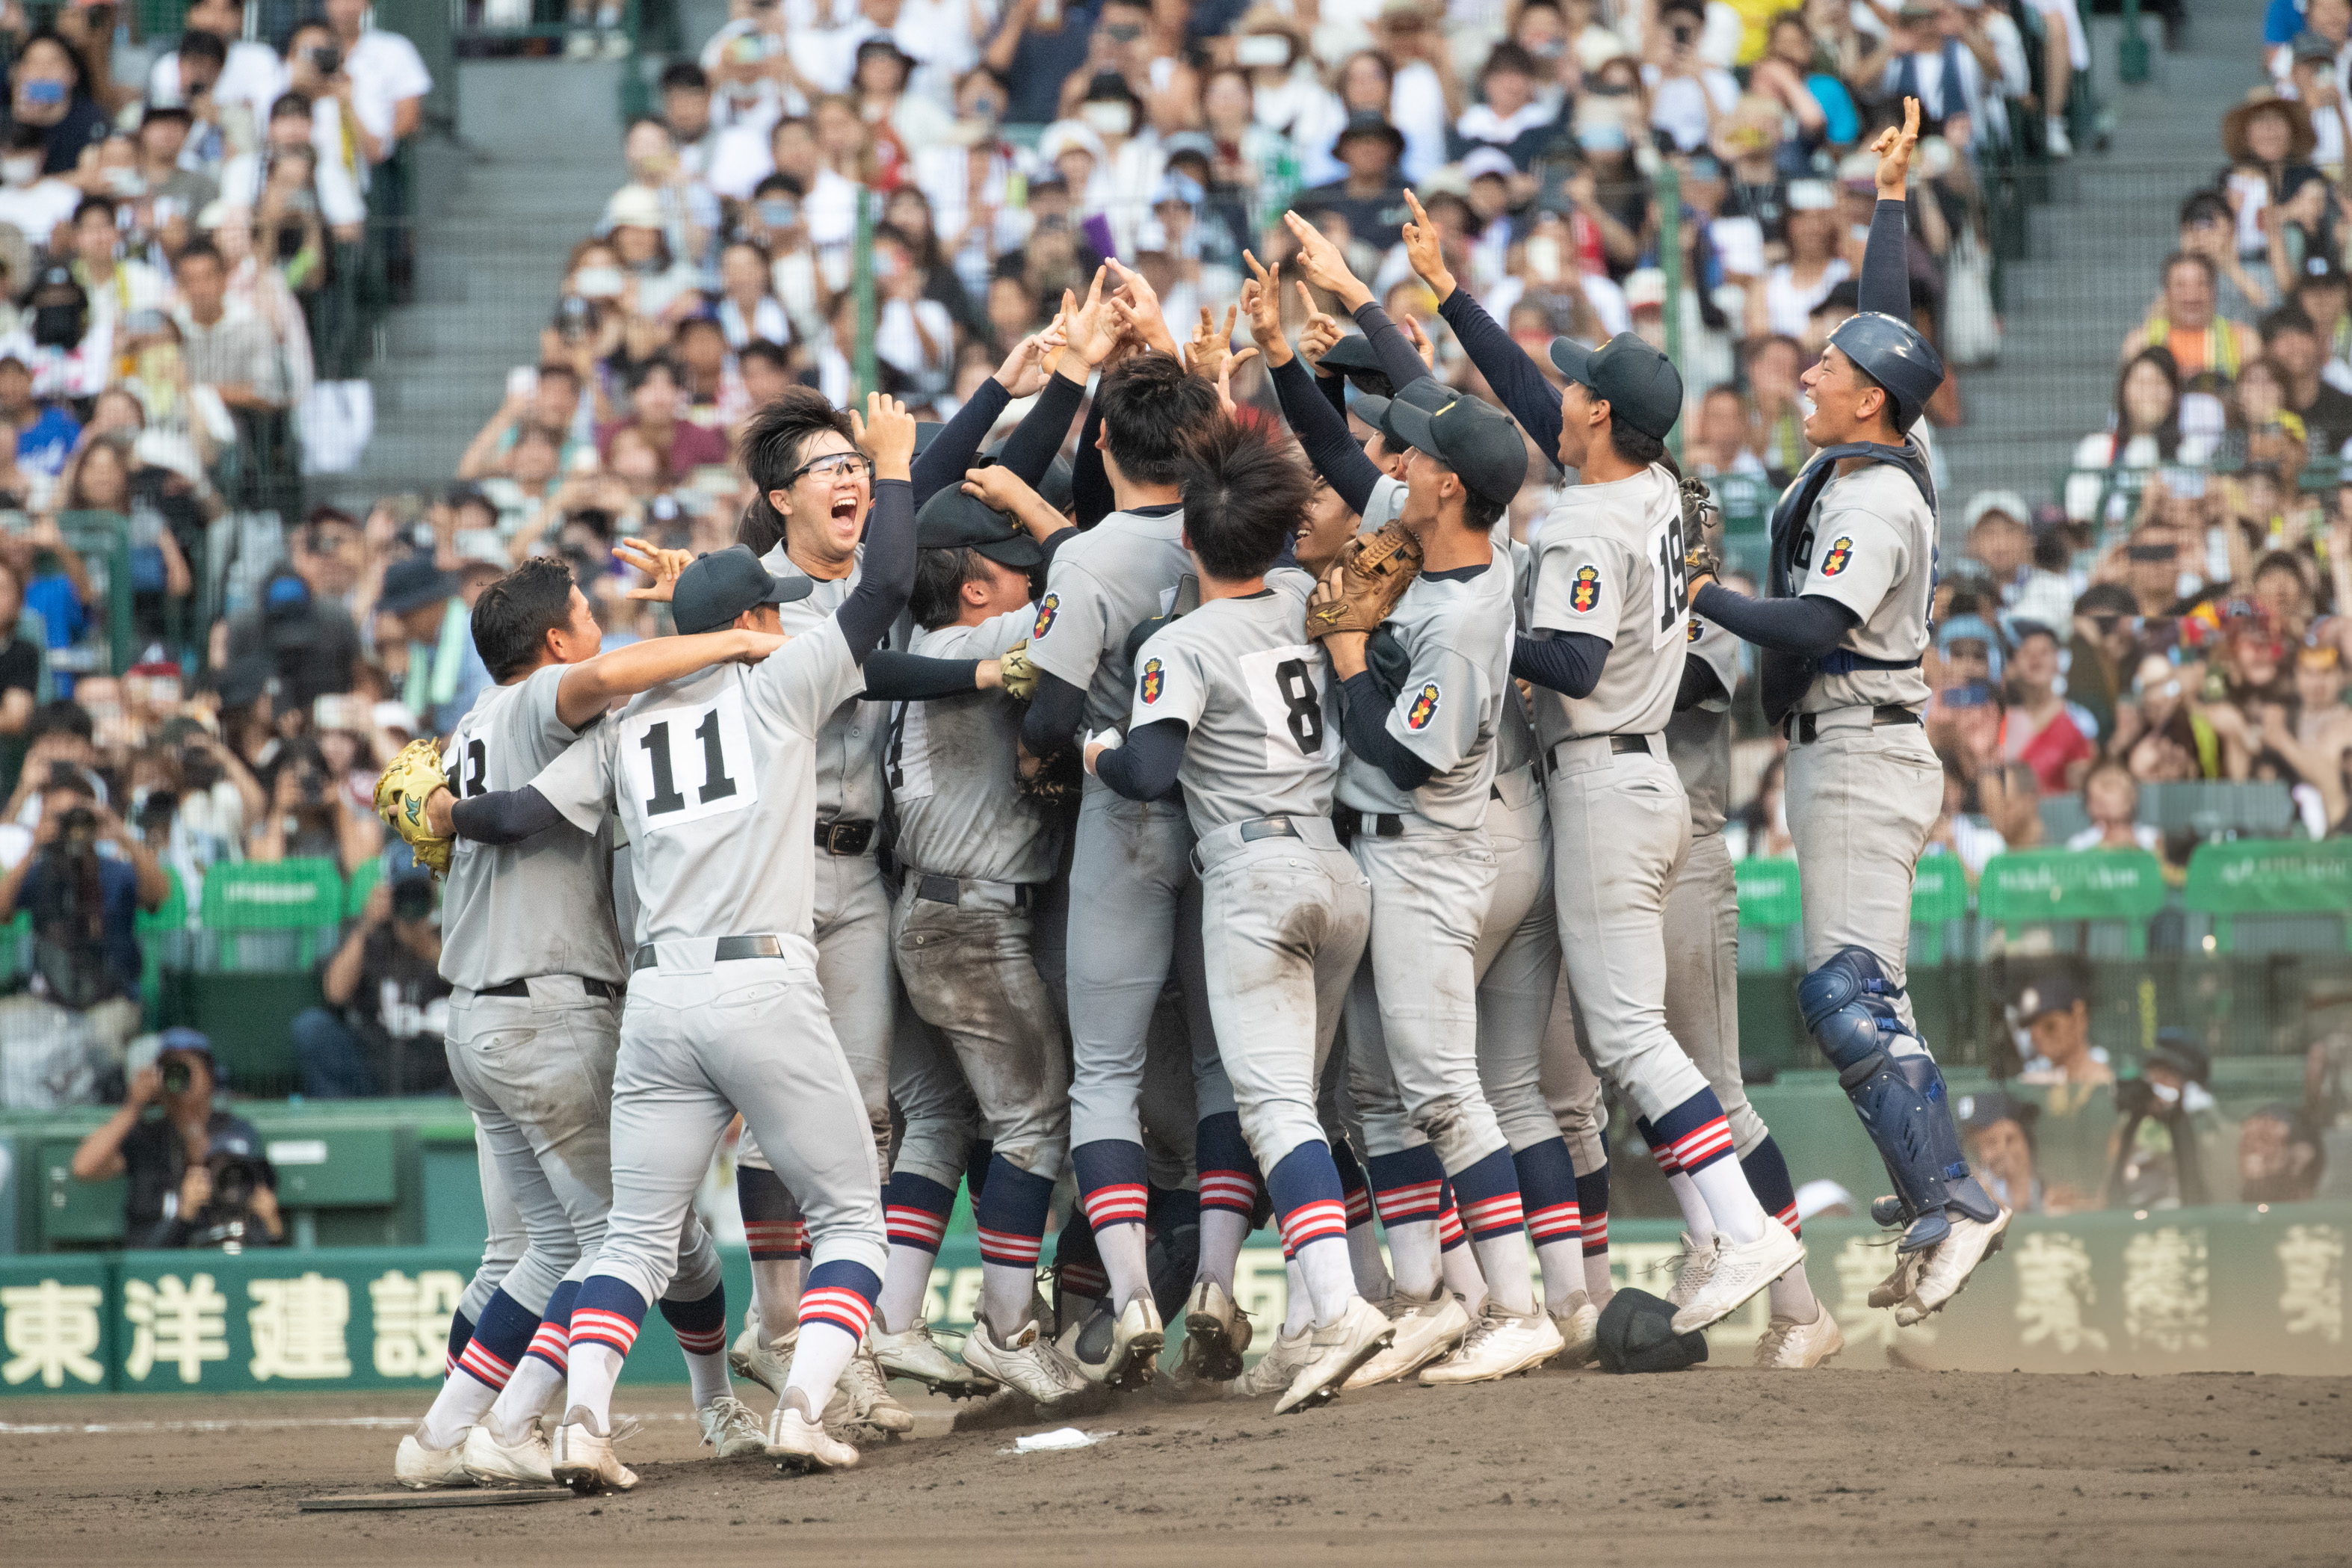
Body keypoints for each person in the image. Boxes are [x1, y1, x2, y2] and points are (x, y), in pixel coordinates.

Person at [421, 392, 919, 1482]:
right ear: (753, 622)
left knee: (631, 1241)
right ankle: (801, 1400)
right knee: (852, 1217)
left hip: (655, 1002)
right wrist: (889, 469)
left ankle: (582, 1422)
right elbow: (881, 587)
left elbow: (523, 815)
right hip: (762, 983)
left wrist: (450, 811)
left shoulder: (624, 725)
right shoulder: (780, 680)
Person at [1398, 188, 1806, 1340]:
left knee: (1627, 1035)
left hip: (1599, 777)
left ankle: (1735, 1227)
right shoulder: (1651, 487)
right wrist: (1449, 296)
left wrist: (1472, 618)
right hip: (1640, 777)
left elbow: (1568, 657)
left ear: (1602, 418)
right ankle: (1731, 1226)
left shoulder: (1585, 521)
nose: (1558, 394)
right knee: (1626, 1038)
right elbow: (1534, 408)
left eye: (1576, 388)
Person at [1684, 100, 2009, 1329]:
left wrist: (1704, 593)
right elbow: (1887, 340)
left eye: (1826, 367)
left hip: (1863, 749)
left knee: (1845, 1000)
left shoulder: (1874, 500)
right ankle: (1941, 1206)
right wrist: (1885, 201)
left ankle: (1955, 1197)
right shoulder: (1871, 449)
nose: (1805, 373)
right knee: (1867, 1002)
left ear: (1868, 400)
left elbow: (1816, 629)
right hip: (1843, 752)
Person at [384, 551, 793, 1488]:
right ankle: (518, 1422)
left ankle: (441, 1437)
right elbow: (605, 678)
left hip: (482, 1020)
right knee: (626, 1238)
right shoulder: (537, 701)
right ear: (553, 641)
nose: (596, 624)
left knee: (561, 1244)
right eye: (582, 612)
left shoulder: (473, 725)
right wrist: (735, 637)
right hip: (550, 1012)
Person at [1086, 414, 1391, 1413]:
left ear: (1187, 541)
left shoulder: (1178, 640)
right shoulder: (1304, 592)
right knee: (1309, 1105)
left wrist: (1092, 747)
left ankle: (1340, 1309)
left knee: (1274, 1110)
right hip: (1337, 869)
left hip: (1252, 878)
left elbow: (1147, 773)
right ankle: (1313, 1316)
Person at [67, 1028, 285, 1247]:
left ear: (209, 1075)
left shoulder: (237, 1131)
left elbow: (260, 1196)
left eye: (187, 1069)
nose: (180, 1079)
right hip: (158, 1261)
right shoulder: (147, 1136)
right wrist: (133, 1106)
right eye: (171, 1070)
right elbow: (84, 1168)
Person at [291, 863, 454, 1098]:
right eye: (403, 892)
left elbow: (476, 982)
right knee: (312, 1027)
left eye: (419, 891)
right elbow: (336, 993)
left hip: (442, 1077)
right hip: (375, 1071)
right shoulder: (369, 933)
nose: (412, 900)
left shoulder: (452, 930)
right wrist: (367, 925)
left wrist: (428, 948)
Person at [2013, 972, 2114, 1085]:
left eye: (2050, 1026)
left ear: (2078, 1018)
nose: (2036, 1038)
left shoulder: (2103, 1079)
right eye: (2031, 1029)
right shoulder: (2039, 1080)